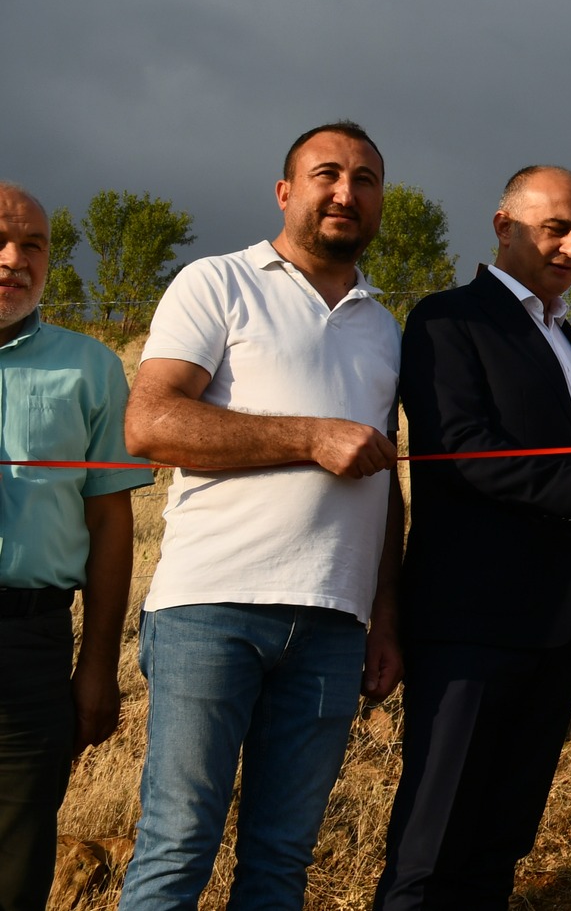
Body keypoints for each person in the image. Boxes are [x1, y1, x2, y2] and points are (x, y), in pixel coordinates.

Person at [119, 122, 405, 910]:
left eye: (366, 179)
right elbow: (150, 423)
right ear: (286, 192)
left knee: (281, 863)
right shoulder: (217, 282)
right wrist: (310, 435)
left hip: (332, 627)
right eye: (327, 174)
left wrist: (384, 617)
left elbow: (385, 482)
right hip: (212, 608)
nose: (346, 191)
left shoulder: (384, 326)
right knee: (178, 844)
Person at [374, 166, 571, 908]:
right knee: (430, 849)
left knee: (498, 845)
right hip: (471, 626)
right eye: (554, 227)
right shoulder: (447, 319)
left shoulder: (569, 339)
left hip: (556, 630)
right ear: (504, 226)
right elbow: (462, 448)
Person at [0, 183, 153, 911]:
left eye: (32, 244)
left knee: (17, 852)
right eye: (1, 239)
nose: (14, 258)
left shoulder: (90, 368)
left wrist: (97, 665)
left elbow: (111, 526)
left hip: (29, 645)